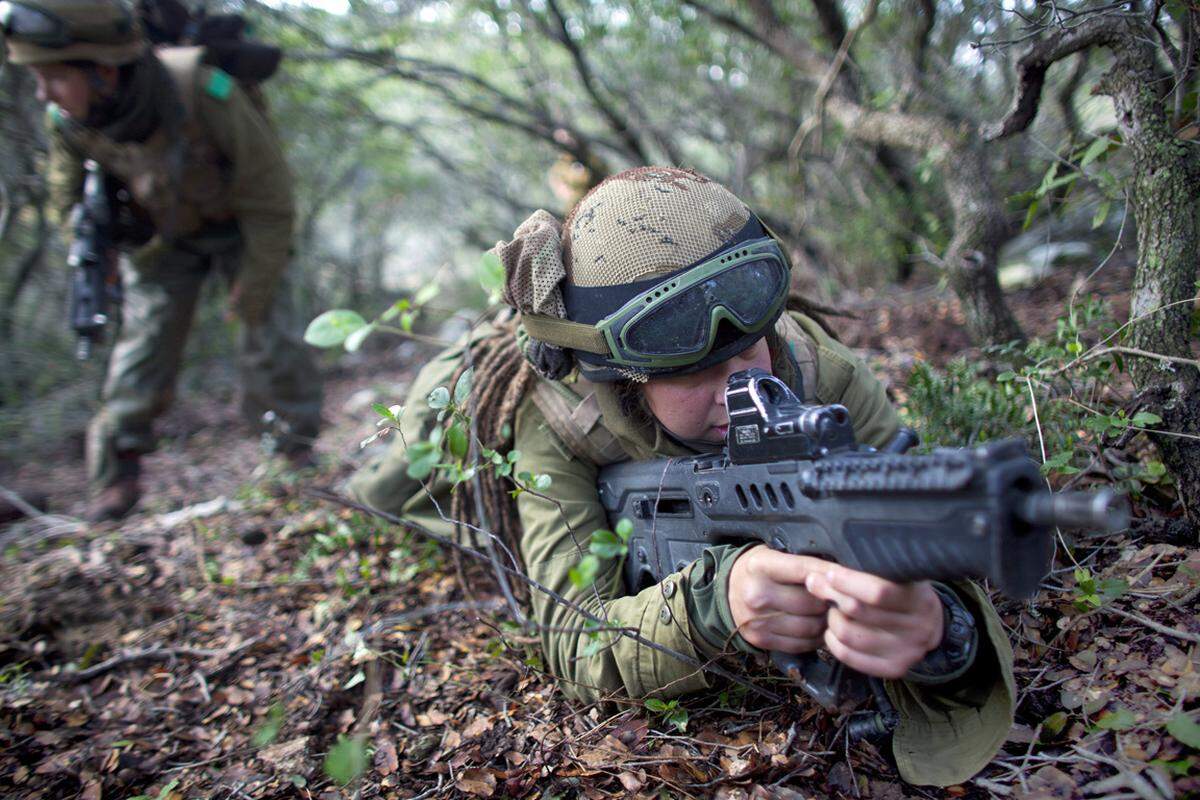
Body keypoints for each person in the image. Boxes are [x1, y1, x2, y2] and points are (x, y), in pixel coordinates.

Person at [346, 167, 1014, 786]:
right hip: (471, 401)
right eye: (692, 369)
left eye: (748, 344)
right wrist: (716, 602)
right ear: (621, 374)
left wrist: (941, 634)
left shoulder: (821, 373)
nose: (743, 384)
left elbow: (903, 517)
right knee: (386, 493)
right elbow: (575, 642)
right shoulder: (556, 419)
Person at [1, 0, 323, 521]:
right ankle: (116, 478)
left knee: (267, 334)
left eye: (54, 79)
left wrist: (254, 283)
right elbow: (66, 201)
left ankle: (293, 454)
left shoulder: (199, 88)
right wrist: (93, 251)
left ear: (103, 68)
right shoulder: (68, 121)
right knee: (142, 348)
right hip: (164, 238)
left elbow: (270, 197)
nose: (43, 93)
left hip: (243, 226)